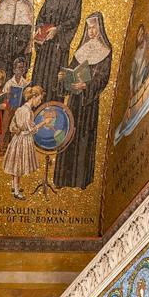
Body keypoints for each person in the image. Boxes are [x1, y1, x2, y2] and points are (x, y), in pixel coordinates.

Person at [54, 12, 113, 189]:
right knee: (69, 133)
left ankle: (80, 180)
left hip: (88, 103)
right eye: (89, 27)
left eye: (94, 27)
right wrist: (63, 77)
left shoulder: (105, 51)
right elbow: (71, 70)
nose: (92, 31)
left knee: (84, 137)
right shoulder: (82, 49)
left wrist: (86, 86)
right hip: (74, 101)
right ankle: (62, 180)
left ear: (100, 28)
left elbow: (103, 78)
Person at [32, 0, 83, 102]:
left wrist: (58, 29)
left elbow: (74, 19)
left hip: (59, 46)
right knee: (40, 77)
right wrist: (38, 30)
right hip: (45, 45)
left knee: (54, 79)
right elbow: (41, 16)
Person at [4, 85, 46, 200]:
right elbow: (30, 131)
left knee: (15, 164)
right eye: (40, 99)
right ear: (34, 97)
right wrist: (43, 123)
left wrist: (17, 130)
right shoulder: (27, 112)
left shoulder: (20, 109)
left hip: (16, 140)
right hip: (23, 140)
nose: (40, 101)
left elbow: (12, 126)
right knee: (18, 166)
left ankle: (13, 185)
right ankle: (16, 192)